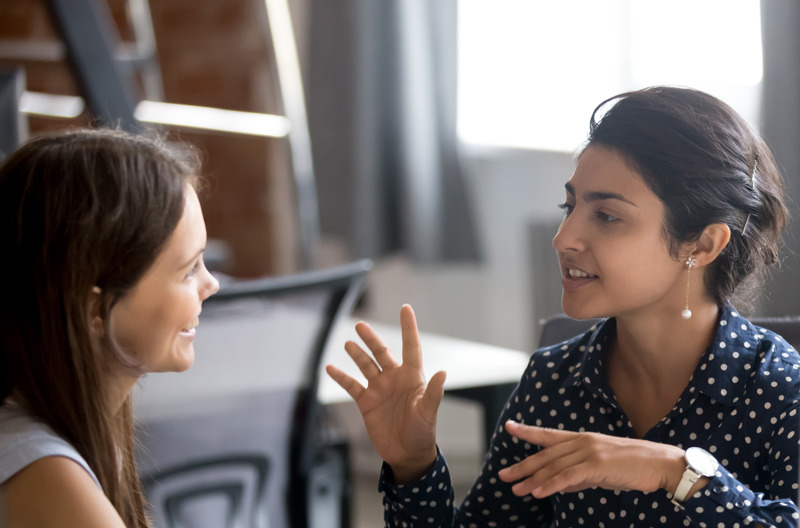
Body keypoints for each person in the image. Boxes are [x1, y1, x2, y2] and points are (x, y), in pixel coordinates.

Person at [326, 86, 800, 527]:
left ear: (702, 243)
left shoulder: (781, 390)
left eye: (608, 216)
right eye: (569, 206)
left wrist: (675, 472)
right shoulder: (553, 382)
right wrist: (413, 465)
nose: (564, 238)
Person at [0, 128, 220, 527]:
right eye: (189, 270)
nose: (211, 284)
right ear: (96, 308)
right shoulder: (48, 475)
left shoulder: (62, 439)